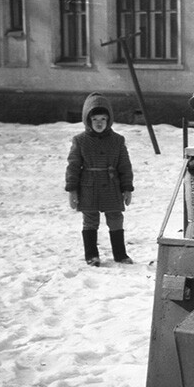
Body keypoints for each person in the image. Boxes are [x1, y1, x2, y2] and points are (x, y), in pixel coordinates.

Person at [65, 92, 134, 266]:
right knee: (90, 221)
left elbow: (125, 166)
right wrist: (72, 190)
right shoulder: (80, 140)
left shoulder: (117, 140)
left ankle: (120, 254)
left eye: (103, 119)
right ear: (88, 120)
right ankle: (92, 256)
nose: (99, 123)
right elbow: (73, 166)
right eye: (95, 119)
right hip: (88, 186)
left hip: (112, 186)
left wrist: (127, 189)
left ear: (109, 120)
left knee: (115, 219)